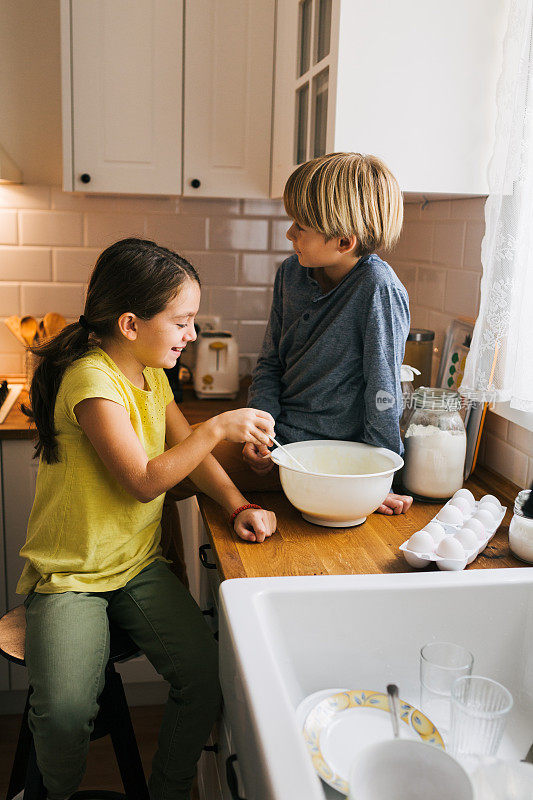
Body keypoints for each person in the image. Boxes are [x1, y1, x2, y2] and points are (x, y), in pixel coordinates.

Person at [17, 237, 277, 800]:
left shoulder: (151, 375)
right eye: (182, 322)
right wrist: (216, 426)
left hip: (136, 568)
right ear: (131, 324)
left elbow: (192, 455)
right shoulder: (92, 381)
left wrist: (238, 505)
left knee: (204, 679)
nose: (192, 335)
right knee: (64, 717)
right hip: (73, 579)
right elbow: (142, 482)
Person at [244, 152, 413, 515]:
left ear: (344, 242)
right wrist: (260, 430)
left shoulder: (377, 289)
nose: (289, 233)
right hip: (282, 444)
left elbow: (383, 391)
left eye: (300, 226)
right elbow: (270, 363)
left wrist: (377, 479)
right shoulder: (290, 273)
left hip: (338, 462)